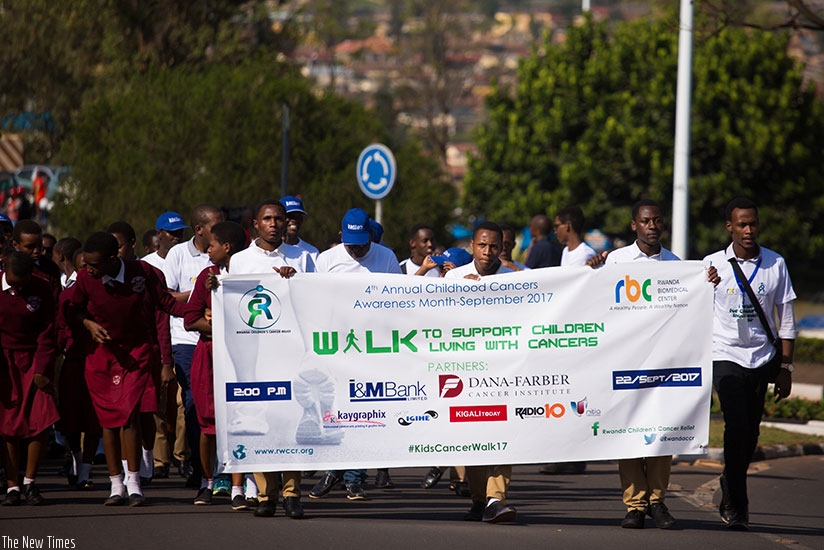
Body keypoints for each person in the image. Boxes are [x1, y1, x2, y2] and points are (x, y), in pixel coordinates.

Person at [66, 232, 186, 506]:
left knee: (129, 416)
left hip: (136, 353)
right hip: (101, 356)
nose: (89, 269)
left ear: (112, 259)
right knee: (108, 421)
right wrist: (88, 324)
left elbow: (166, 303)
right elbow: (73, 308)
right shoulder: (85, 279)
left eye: (95, 264)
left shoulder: (142, 272)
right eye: (87, 265)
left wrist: (199, 309)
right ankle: (115, 484)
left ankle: (134, 484)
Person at [588, 200, 683, 529]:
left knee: (659, 433)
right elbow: (597, 301)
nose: (652, 226)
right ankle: (634, 505)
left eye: (657, 220)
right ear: (634, 226)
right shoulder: (616, 260)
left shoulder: (675, 264)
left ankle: (657, 502)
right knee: (628, 433)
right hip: (625, 362)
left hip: (662, 364)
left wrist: (706, 283)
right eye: (646, 221)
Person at [704, 197, 797, 531]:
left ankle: (730, 478)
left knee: (751, 433)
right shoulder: (712, 265)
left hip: (761, 358)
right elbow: (693, 310)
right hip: (725, 355)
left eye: (752, 223)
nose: (748, 230)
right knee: (736, 425)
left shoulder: (775, 264)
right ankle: (736, 504)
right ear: (729, 227)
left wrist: (786, 368)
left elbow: (786, 320)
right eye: (741, 224)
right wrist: (705, 287)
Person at [229, 199, 314, 518]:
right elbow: (232, 303)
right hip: (255, 353)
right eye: (268, 219)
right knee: (259, 421)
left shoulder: (305, 256)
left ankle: (293, 492)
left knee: (291, 421)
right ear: (256, 224)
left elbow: (318, 300)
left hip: (293, 351)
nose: (275, 224)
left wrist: (298, 282)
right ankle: (266, 494)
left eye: (280, 219)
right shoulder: (240, 261)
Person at [310, 208, 402, 501]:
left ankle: (355, 478)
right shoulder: (325, 260)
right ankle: (334, 470)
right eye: (351, 242)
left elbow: (402, 300)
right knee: (335, 413)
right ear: (342, 237)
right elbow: (312, 301)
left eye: (362, 242)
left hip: (374, 350)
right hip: (335, 348)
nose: (357, 248)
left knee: (364, 413)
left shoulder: (386, 257)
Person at [445, 221, 516, 524]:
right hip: (464, 372)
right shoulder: (454, 278)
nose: (488, 252)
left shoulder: (514, 279)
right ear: (472, 246)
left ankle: (495, 498)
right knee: (473, 437)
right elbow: (438, 322)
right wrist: (466, 294)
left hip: (503, 372)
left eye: (494, 246)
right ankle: (479, 500)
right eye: (482, 245)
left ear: (503, 248)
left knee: (502, 436)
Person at [183, 221, 251, 510]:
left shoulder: (251, 275)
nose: (207, 250)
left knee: (240, 423)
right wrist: (218, 326)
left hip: (243, 359)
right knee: (208, 424)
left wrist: (222, 322)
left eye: (211, 245)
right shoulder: (206, 276)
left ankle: (238, 486)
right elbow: (190, 319)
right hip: (209, 357)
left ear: (227, 248)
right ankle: (206, 482)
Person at [162, 205, 224, 490]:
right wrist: (199, 291)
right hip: (187, 341)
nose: (220, 230)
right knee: (193, 404)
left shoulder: (230, 256)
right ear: (199, 230)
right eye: (215, 226)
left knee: (225, 405)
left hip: (224, 342)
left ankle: (224, 472)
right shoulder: (178, 255)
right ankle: (201, 470)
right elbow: (168, 298)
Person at [0, 252, 60, 506]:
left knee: (41, 420)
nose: (18, 288)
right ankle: (12, 485)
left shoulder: (41, 288)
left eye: (22, 283)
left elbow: (49, 329)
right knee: (8, 424)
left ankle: (30, 483)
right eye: (13, 283)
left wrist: (42, 369)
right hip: (4, 361)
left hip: (34, 358)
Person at [142, 211, 189, 480]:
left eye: (180, 233)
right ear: (158, 234)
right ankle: (160, 459)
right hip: (157, 340)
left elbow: (175, 300)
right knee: (157, 403)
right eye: (171, 232)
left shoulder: (184, 256)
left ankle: (181, 455)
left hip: (181, 336)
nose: (176, 237)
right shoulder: (146, 265)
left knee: (182, 402)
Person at [56, 248, 101, 490]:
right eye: (83, 267)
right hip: (73, 362)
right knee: (70, 420)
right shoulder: (68, 296)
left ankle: (86, 470)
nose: (88, 271)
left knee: (94, 421)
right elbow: (60, 331)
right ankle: (75, 456)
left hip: (98, 362)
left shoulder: (103, 293)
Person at [280, 195, 319, 261]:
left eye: (298, 216)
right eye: (289, 216)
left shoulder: (312, 252)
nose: (294, 220)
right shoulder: (269, 249)